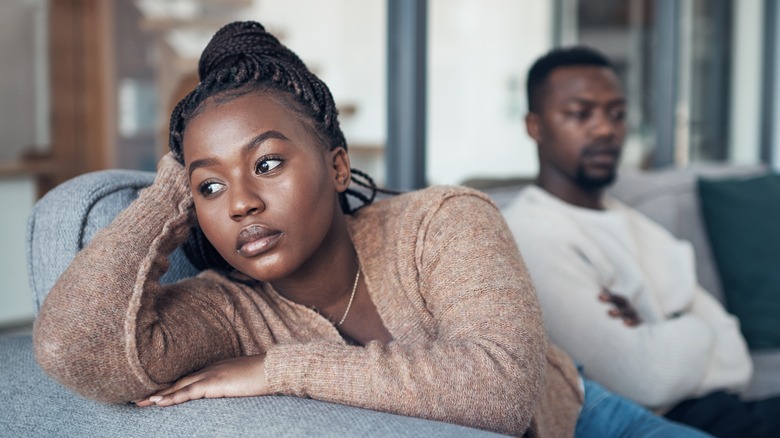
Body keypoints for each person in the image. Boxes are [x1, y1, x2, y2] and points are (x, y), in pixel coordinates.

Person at [33, 20, 585, 437]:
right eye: (211, 188)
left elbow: (501, 391)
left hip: (585, 413)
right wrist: (169, 192)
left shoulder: (442, 221)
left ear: (337, 166)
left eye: (267, 164)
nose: (242, 204)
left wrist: (279, 370)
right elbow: (72, 349)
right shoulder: (227, 310)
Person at [503, 45, 780, 437]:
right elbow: (643, 380)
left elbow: (738, 357)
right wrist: (698, 324)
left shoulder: (633, 219)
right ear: (535, 126)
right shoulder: (530, 232)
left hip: (733, 409)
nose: (605, 129)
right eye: (580, 114)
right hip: (673, 422)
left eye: (616, 113)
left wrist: (658, 328)